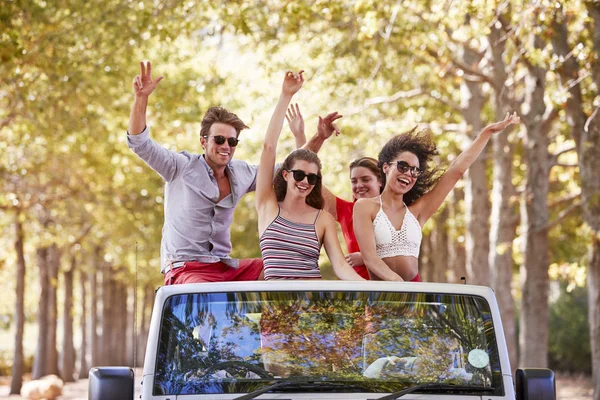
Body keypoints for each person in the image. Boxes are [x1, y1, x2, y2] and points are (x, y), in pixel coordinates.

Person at [126, 61, 313, 285]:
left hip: (224, 266)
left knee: (289, 267)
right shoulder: (180, 166)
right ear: (203, 141)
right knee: (202, 294)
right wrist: (141, 98)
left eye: (232, 141)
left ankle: (274, 321)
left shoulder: (242, 173)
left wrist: (302, 132)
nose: (226, 145)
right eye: (219, 139)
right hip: (187, 269)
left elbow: (291, 171)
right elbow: (139, 143)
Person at [353, 113, 520, 281]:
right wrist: (399, 284)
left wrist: (487, 132)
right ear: (386, 167)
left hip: (415, 296)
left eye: (415, 170)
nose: (409, 174)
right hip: (382, 296)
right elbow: (370, 259)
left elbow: (456, 171)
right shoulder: (364, 207)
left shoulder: (418, 211)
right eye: (403, 166)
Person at [255, 70, 365, 281]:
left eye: (312, 178)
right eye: (299, 175)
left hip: (312, 310)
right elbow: (269, 148)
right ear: (286, 175)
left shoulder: (322, 219)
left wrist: (375, 292)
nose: (305, 181)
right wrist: (286, 95)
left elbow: (341, 266)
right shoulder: (267, 205)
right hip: (275, 311)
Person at [286, 104, 382, 279]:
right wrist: (301, 136)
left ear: (380, 181)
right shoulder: (347, 211)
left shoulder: (396, 209)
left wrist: (366, 257)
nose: (359, 185)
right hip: (359, 293)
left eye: (365, 179)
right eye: (354, 181)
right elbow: (307, 175)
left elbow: (406, 252)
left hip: (394, 292)